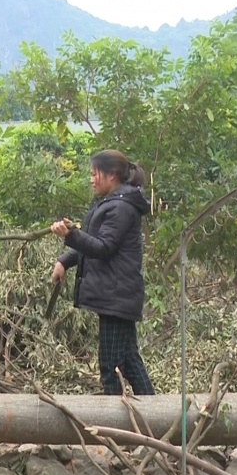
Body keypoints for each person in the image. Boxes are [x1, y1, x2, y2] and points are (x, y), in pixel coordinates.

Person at [50, 149, 155, 396]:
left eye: (94, 174)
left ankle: (116, 418)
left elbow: (103, 247)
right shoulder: (111, 203)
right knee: (129, 360)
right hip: (117, 296)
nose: (91, 179)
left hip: (116, 297)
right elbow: (94, 243)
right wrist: (64, 260)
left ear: (111, 175)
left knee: (111, 367)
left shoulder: (120, 207)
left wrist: (71, 235)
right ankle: (157, 414)